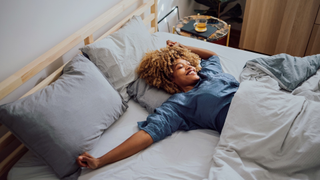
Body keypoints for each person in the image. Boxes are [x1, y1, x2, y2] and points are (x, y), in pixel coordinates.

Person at [76, 40, 239, 169]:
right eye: (180, 67)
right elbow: (147, 134)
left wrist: (182, 46)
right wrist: (100, 161)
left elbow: (213, 56)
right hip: (242, 120)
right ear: (170, 79)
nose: (189, 66)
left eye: (188, 63)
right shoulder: (179, 105)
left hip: (256, 96)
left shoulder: (208, 72)